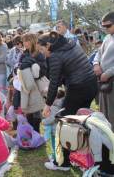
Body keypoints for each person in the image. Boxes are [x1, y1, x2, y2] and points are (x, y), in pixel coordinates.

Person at [40, 31, 97, 171]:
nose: (42, 53)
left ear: (48, 45)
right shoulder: (71, 44)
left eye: (42, 49)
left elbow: (54, 82)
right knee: (81, 123)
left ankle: (63, 163)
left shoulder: (55, 56)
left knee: (65, 124)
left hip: (78, 89)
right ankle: (81, 156)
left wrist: (48, 105)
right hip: (91, 85)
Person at [19, 33, 46, 133]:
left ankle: (37, 132)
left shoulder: (39, 54)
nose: (25, 43)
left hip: (37, 85)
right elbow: (19, 68)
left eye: (27, 40)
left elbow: (43, 70)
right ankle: (31, 132)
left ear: (33, 41)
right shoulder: (23, 54)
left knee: (36, 110)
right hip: (26, 86)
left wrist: (33, 63)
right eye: (24, 41)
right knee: (29, 109)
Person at [93, 11, 114, 130]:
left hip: (111, 79)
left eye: (108, 26)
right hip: (103, 81)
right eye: (104, 26)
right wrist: (96, 64)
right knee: (104, 112)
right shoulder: (107, 37)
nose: (105, 28)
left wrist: (108, 73)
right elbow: (98, 53)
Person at [42, 89, 65, 162]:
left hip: (54, 130)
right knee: (57, 144)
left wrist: (43, 121)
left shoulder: (54, 107)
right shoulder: (60, 104)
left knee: (55, 145)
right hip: (58, 129)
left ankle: (56, 158)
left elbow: (51, 119)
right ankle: (54, 155)